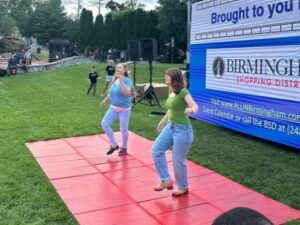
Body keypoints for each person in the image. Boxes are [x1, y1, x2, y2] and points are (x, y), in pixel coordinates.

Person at [151, 68, 198, 197]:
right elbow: (171, 109)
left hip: (182, 130)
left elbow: (195, 106)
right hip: (170, 127)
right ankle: (166, 180)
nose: (165, 78)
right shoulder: (171, 90)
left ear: (175, 78)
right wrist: (163, 121)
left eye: (167, 76)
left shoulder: (183, 91)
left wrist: (191, 110)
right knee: (156, 150)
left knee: (178, 160)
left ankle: (183, 187)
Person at [100, 63, 133, 156]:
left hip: (124, 109)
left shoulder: (127, 81)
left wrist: (121, 80)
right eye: (117, 67)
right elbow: (112, 92)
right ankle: (114, 145)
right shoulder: (115, 80)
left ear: (124, 71)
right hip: (114, 107)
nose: (117, 69)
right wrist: (105, 100)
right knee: (105, 124)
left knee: (123, 129)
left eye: (119, 67)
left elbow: (126, 93)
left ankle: (124, 147)